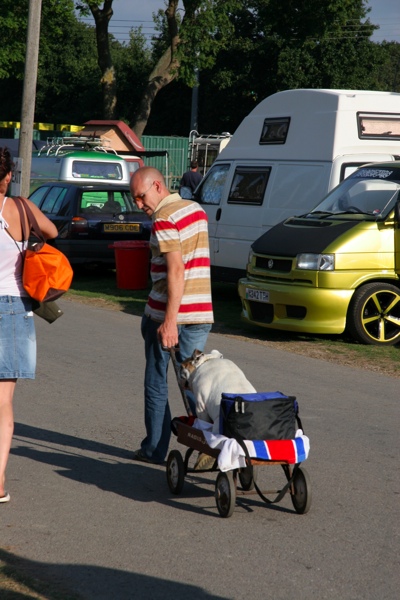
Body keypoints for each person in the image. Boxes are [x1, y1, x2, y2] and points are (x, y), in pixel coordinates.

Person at [130, 166, 213, 464]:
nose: (140, 205)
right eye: (135, 200)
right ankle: (209, 444)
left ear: (157, 186)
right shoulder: (195, 209)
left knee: (156, 382)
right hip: (201, 312)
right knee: (197, 383)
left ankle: (154, 449)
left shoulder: (164, 218)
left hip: (165, 315)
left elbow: (176, 269)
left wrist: (169, 322)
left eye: (141, 197)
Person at [0, 147, 58, 503]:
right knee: (3, 400)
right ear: (7, 176)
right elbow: (51, 231)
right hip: (12, 306)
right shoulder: (22, 208)